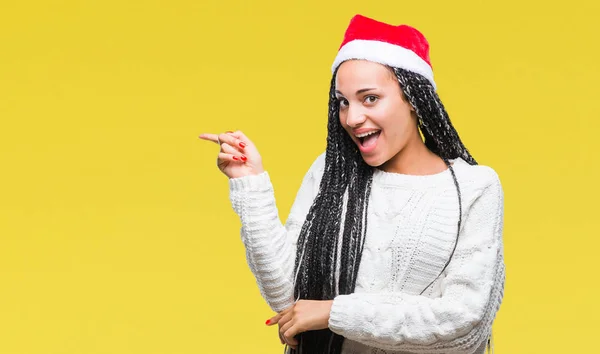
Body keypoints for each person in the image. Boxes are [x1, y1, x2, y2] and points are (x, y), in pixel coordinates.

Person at [199, 14, 505, 354]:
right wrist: (250, 184)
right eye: (343, 101)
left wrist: (334, 312)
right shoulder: (332, 172)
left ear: (415, 99)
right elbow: (289, 299)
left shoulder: (474, 188)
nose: (352, 117)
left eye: (369, 98)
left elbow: (466, 323)